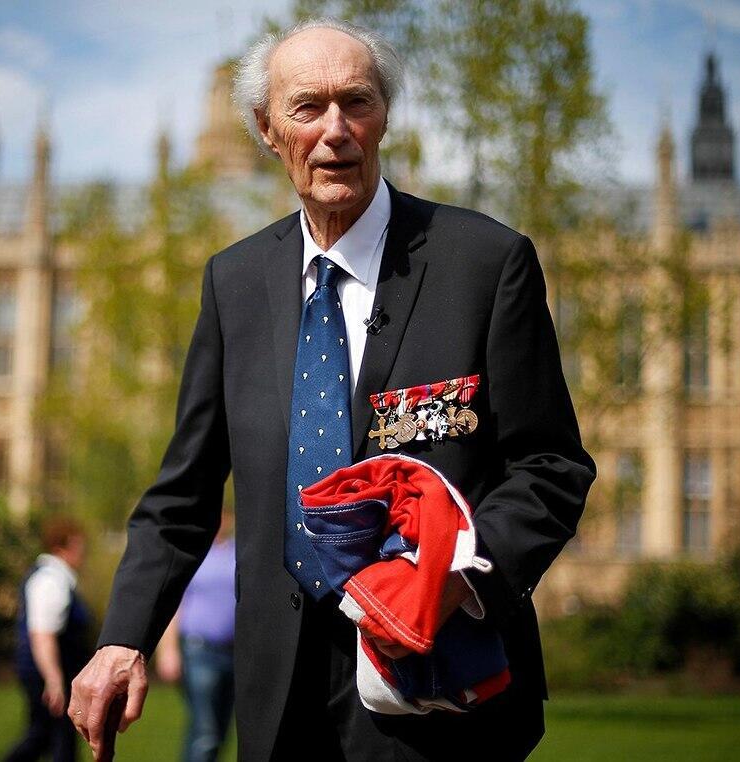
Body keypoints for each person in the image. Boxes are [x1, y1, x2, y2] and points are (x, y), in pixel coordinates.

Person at [70, 17, 597, 762]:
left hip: (440, 686)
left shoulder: (484, 263)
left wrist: (457, 578)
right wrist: (124, 637)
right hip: (279, 696)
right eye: (307, 108)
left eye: (357, 103)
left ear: (385, 117)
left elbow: (550, 466)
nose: (336, 131)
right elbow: (181, 497)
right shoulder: (235, 281)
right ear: (266, 129)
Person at [4, 516, 92, 762]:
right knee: (56, 739)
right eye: (79, 547)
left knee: (43, 736)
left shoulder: (57, 577)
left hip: (50, 672)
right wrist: (54, 680)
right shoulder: (50, 580)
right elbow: (43, 634)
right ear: (60, 548)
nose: (83, 554)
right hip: (48, 673)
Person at [156, 514, 236, 762]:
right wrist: (167, 651)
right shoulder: (193, 555)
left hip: (232, 653)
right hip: (199, 650)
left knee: (220, 731)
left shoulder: (236, 552)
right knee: (206, 732)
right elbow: (172, 605)